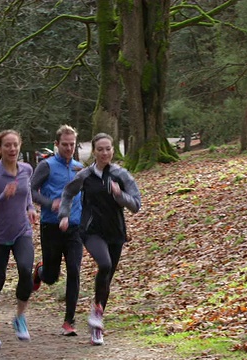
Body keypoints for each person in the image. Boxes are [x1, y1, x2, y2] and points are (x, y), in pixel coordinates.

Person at [58, 132, 141, 346]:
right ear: (94, 152)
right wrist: (65, 215)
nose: (104, 153)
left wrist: (119, 195)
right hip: (91, 231)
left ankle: (97, 320)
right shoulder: (85, 175)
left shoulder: (121, 175)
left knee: (107, 277)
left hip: (116, 233)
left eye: (108, 149)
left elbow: (136, 205)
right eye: (100, 149)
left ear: (113, 150)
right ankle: (96, 319)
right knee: (104, 264)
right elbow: (67, 194)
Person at [0, 129, 37, 349]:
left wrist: (30, 207)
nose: (12, 149)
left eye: (15, 145)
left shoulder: (26, 169)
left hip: (22, 231)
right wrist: (4, 195)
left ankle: (20, 317)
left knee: (25, 270)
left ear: (20, 146)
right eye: (7, 145)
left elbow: (27, 192)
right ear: (1, 148)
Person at [30, 125, 83, 336]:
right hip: (51, 226)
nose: (69, 148)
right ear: (56, 144)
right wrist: (50, 203)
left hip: (75, 228)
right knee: (52, 277)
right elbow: (32, 190)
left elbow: (85, 195)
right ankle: (40, 271)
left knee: (74, 270)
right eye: (65, 145)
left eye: (72, 144)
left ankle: (69, 321)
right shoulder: (47, 166)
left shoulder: (80, 168)